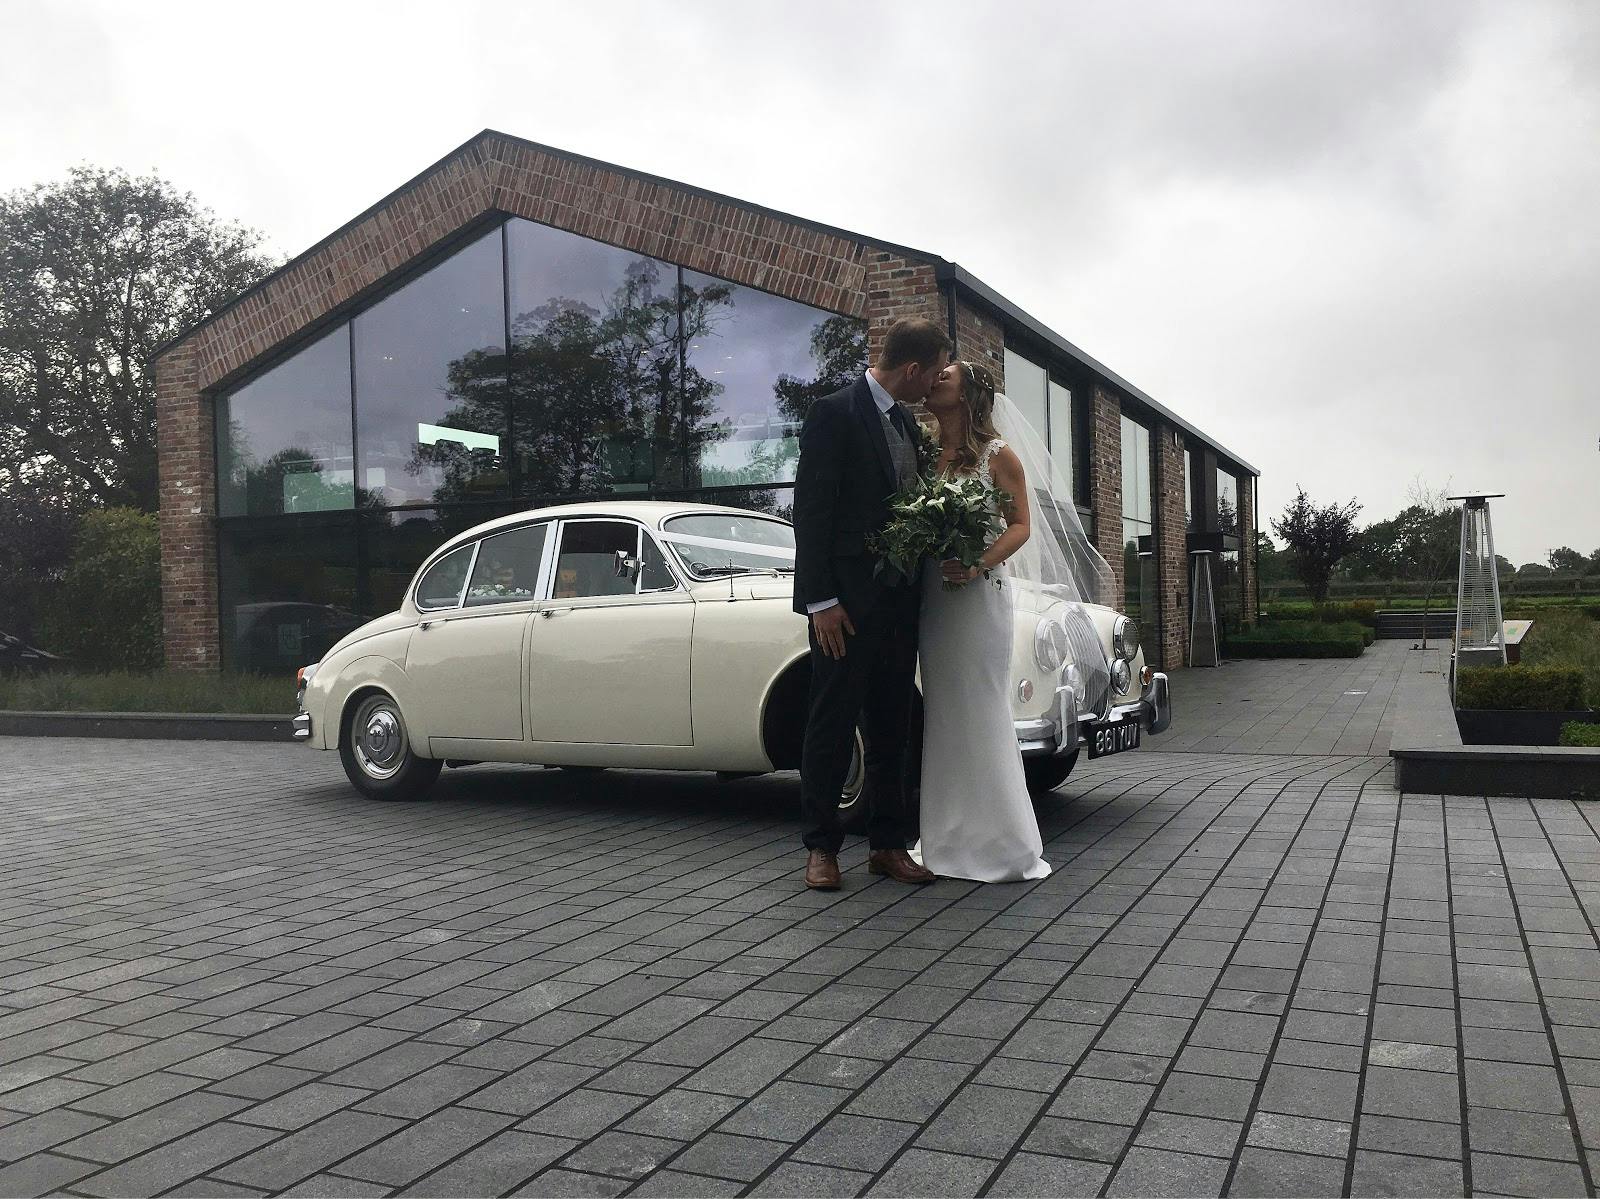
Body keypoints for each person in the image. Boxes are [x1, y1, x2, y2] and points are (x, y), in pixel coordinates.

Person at [790, 317, 949, 890]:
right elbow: (811, 511)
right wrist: (821, 601)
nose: (935, 384)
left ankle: (887, 844)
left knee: (892, 725)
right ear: (912, 369)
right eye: (933, 374)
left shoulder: (905, 422)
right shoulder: (834, 413)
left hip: (900, 604)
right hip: (845, 608)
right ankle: (821, 847)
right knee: (832, 723)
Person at [912, 360, 1051, 882]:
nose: (934, 380)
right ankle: (946, 838)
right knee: (944, 712)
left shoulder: (998, 454)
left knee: (980, 708)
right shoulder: (925, 455)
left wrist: (977, 562)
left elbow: (1020, 525)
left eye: (944, 377)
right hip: (935, 599)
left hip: (977, 597)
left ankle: (1002, 844)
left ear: (968, 395)